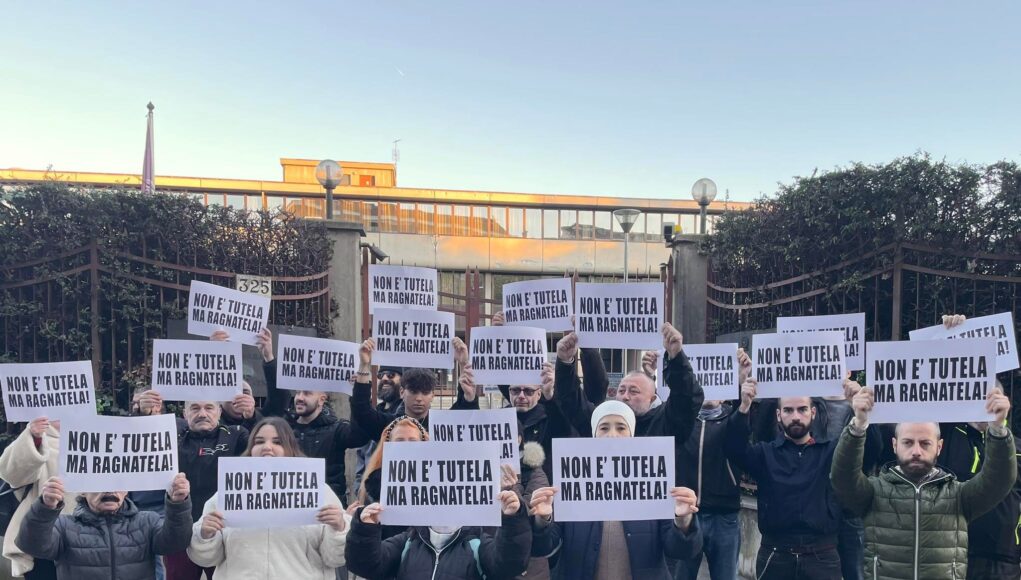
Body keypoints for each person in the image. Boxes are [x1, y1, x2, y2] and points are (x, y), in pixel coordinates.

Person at [831, 382, 1018, 580]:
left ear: (939, 447)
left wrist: (997, 429)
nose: (916, 451)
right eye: (908, 442)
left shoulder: (958, 496)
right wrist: (858, 425)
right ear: (895, 445)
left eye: (925, 443)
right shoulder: (874, 492)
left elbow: (999, 481)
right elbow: (842, 477)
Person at [724, 376, 880, 580]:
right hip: (775, 555)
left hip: (822, 556)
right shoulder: (765, 454)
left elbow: (871, 452)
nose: (795, 416)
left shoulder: (831, 451)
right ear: (778, 415)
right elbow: (733, 448)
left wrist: (860, 416)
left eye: (802, 409)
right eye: (788, 410)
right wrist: (744, 406)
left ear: (813, 412)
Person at [529, 400, 704, 580]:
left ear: (632, 433)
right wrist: (542, 520)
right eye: (604, 428)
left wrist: (683, 521)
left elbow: (680, 551)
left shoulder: (654, 481)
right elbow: (542, 547)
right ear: (594, 433)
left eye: (621, 428)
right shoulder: (571, 482)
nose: (612, 435)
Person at [188, 417, 351, 579]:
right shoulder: (228, 493)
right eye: (259, 442)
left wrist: (339, 528)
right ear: (251, 448)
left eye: (277, 442)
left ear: (291, 448)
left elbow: (335, 559)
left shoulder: (319, 492)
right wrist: (205, 535)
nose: (267, 447)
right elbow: (206, 559)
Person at [935, 314, 1021, 580]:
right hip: (953, 555)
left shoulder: (1016, 448)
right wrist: (953, 334)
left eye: (992, 396)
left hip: (1007, 560)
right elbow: (935, 381)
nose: (984, 403)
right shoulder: (946, 435)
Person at [138, 394, 249, 580]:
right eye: (195, 408)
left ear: (220, 411)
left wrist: (252, 415)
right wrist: (144, 415)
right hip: (180, 531)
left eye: (209, 408)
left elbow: (265, 444)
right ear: (185, 413)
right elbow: (141, 440)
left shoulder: (236, 435)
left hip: (221, 529)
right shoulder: (173, 437)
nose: (202, 414)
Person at [256, 328, 371, 504]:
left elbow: (360, 435)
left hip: (327, 509)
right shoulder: (284, 427)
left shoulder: (336, 429)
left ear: (321, 399)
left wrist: (358, 391)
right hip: (288, 503)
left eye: (307, 393)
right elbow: (278, 398)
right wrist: (269, 357)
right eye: (299, 392)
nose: (300, 398)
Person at [16, 473, 192, 580]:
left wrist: (178, 504)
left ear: (126, 491)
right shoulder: (64, 526)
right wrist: (45, 507)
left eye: (117, 484)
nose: (109, 491)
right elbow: (31, 544)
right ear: (82, 491)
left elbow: (176, 543)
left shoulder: (147, 522)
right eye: (99, 484)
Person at [345, 480, 531, 579]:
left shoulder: (478, 544)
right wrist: (365, 529)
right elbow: (366, 566)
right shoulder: (407, 542)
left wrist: (513, 519)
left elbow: (509, 565)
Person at [673, 347, 750, 580]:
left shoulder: (734, 419)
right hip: (686, 515)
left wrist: (742, 380)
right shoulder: (681, 422)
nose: (709, 390)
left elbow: (743, 427)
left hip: (724, 516)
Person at [554, 323, 704, 442]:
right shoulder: (601, 419)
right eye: (621, 390)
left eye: (634, 391)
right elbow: (570, 401)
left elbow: (686, 399)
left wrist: (676, 357)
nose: (625, 396)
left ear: (652, 399)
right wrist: (565, 362)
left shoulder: (665, 425)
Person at [456, 360, 577, 482]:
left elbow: (565, 432)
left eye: (528, 391)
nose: (521, 396)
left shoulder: (551, 418)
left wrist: (550, 396)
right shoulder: (496, 420)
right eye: (516, 390)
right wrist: (469, 400)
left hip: (541, 493)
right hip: (503, 493)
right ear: (509, 392)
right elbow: (468, 435)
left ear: (539, 394)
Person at [0, 417, 77, 580]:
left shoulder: (98, 438)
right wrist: (34, 437)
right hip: (43, 537)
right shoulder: (37, 438)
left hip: (89, 541)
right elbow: (11, 474)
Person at [350, 337, 466, 438]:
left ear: (432, 395)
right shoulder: (390, 425)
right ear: (402, 392)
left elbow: (466, 411)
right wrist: (364, 364)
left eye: (425, 392)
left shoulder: (443, 426)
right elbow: (361, 411)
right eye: (414, 391)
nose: (419, 398)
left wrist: (463, 363)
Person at [356, 416, 429, 540]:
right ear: (388, 445)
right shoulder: (373, 484)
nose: (406, 446)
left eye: (412, 441)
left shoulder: (437, 481)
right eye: (399, 440)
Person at [353, 365, 403, 496]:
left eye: (391, 375)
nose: (385, 378)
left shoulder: (404, 416)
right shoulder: (375, 412)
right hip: (369, 495)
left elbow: (364, 414)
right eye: (381, 375)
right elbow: (361, 456)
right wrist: (360, 491)